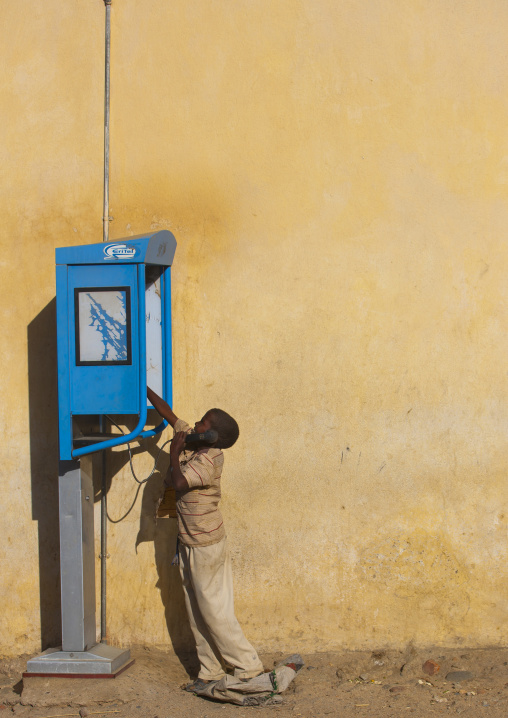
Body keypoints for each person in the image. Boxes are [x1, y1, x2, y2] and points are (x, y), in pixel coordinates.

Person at [147, 387, 264, 692]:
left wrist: (173, 453)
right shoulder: (193, 441)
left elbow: (180, 482)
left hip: (206, 546)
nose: (195, 424)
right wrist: (143, 387)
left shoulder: (209, 460)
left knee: (214, 610)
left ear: (212, 436)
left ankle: (248, 666)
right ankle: (210, 670)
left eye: (202, 424)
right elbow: (168, 413)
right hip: (188, 542)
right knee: (195, 609)